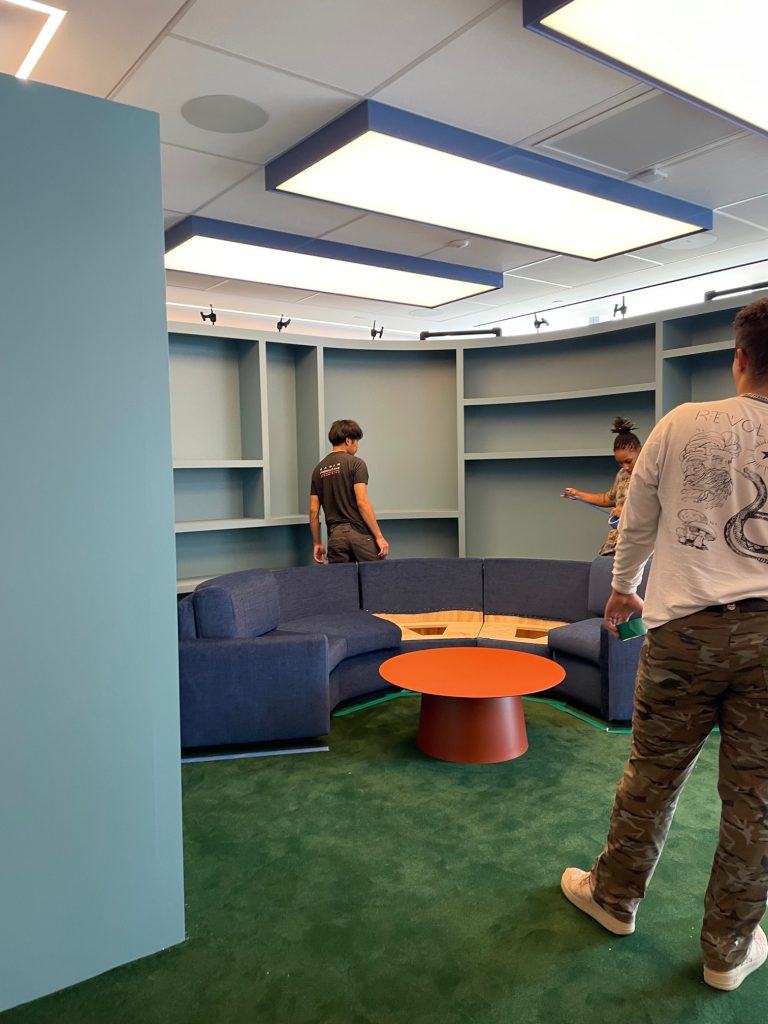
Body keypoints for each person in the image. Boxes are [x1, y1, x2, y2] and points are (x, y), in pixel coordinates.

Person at [560, 295, 768, 991]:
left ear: (740, 358)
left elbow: (635, 519)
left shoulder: (682, 423)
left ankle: (614, 899)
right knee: (758, 801)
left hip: (684, 632)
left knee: (652, 771)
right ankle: (727, 952)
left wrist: (622, 588)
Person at [309, 419, 389, 564]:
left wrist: (317, 543)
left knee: (342, 584)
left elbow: (313, 510)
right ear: (347, 441)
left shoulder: (318, 470)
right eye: (356, 441)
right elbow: (362, 502)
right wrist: (379, 536)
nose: (357, 446)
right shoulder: (356, 464)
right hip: (359, 534)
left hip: (335, 538)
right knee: (376, 580)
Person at [562, 417, 643, 555]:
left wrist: (626, 511)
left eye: (628, 461)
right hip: (616, 540)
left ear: (640, 451)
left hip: (639, 541)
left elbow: (654, 506)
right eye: (620, 463)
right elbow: (608, 499)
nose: (625, 467)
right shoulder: (622, 474)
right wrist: (578, 494)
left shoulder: (650, 475)